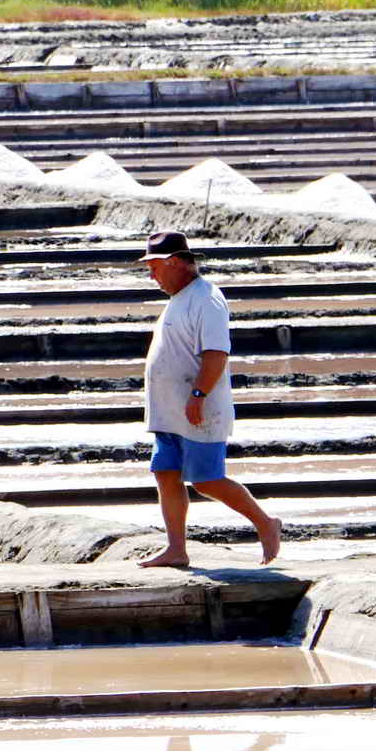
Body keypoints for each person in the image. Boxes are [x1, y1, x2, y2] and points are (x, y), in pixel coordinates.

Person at [135, 230, 281, 567]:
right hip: (169, 410)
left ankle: (265, 523)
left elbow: (216, 354)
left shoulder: (206, 299)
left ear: (174, 263)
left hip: (198, 407)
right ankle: (176, 549)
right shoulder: (179, 298)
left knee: (205, 479)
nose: (151, 275)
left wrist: (198, 395)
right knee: (166, 474)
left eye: (154, 266)